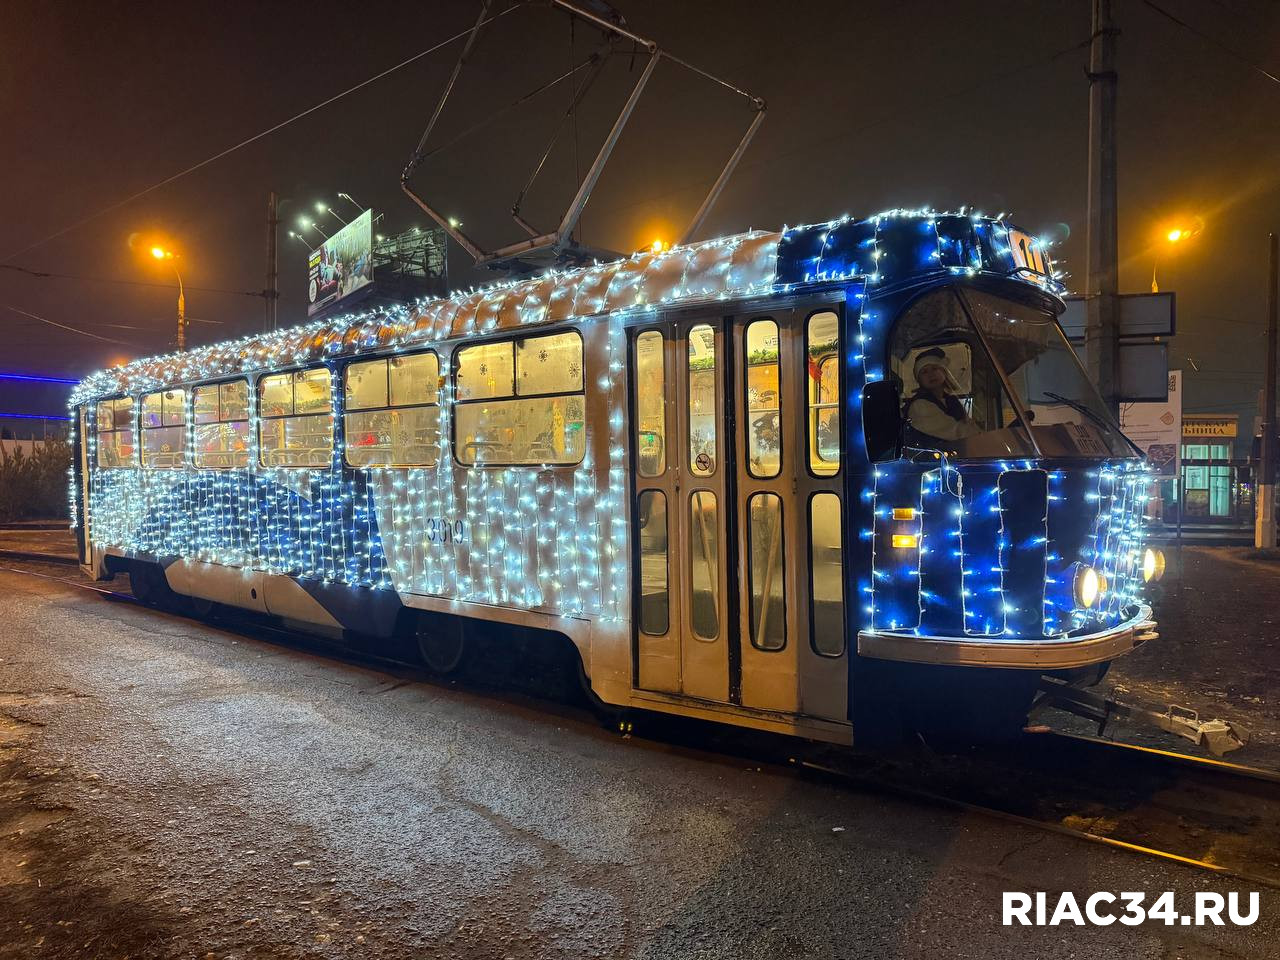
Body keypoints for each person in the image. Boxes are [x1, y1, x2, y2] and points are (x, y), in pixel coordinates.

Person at [903, 347, 979, 443]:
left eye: (934, 368)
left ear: (944, 372)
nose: (931, 374)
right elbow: (956, 432)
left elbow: (969, 425)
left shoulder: (951, 400)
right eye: (924, 372)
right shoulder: (919, 406)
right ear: (919, 380)